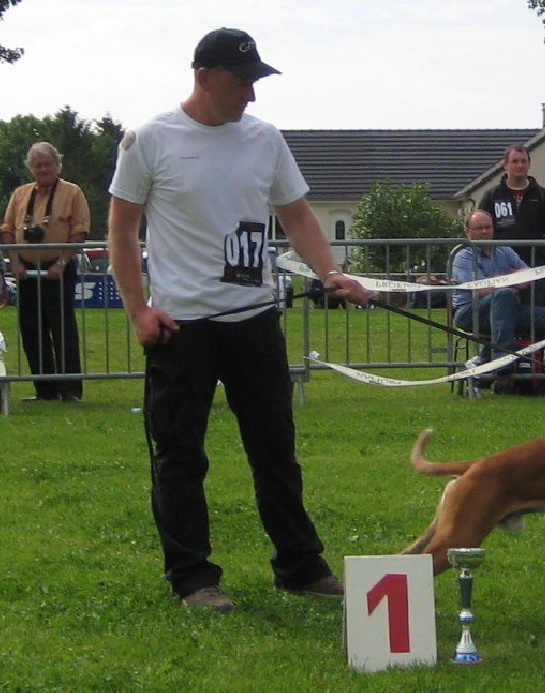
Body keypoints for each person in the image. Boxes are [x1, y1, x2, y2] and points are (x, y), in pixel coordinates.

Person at [107, 27, 371, 613]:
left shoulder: (265, 139)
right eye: (240, 81)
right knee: (180, 455)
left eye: (256, 81)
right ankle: (193, 579)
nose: (251, 95)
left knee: (276, 450)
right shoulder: (148, 140)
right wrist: (138, 312)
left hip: (254, 321)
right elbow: (122, 231)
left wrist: (329, 270)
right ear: (202, 75)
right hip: (182, 328)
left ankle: (301, 567)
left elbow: (297, 213)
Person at [0, 142, 88, 403]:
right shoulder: (20, 194)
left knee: (63, 329)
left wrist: (60, 263)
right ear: (32, 168)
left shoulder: (72, 192)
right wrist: (14, 262)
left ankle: (70, 390)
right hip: (27, 273)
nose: (43, 169)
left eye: (48, 164)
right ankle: (44, 390)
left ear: (57, 165)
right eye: (38, 165)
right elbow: (7, 229)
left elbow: (79, 231)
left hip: (58, 270)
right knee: (31, 330)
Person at [451, 210, 545, 394]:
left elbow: (528, 278)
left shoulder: (505, 251)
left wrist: (498, 281)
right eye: (479, 228)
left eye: (488, 227)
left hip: (509, 310)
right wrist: (510, 280)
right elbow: (478, 289)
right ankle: (503, 358)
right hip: (471, 313)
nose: (484, 231)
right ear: (467, 232)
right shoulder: (463, 256)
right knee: (504, 295)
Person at [478, 145, 545, 305]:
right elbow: (480, 230)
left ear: (529, 164)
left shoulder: (543, 195)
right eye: (515, 161)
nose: (519, 165)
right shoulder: (491, 196)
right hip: (500, 270)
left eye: (523, 161)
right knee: (503, 314)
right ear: (505, 165)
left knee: (532, 320)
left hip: (534, 269)